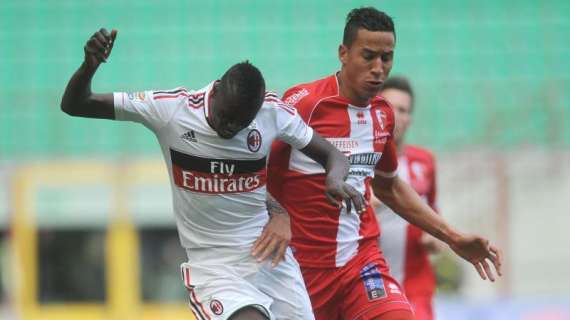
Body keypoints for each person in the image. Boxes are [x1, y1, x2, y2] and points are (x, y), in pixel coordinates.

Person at [60, 28, 367, 320]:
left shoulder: (272, 112)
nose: (230, 128)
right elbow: (76, 104)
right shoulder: (171, 110)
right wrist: (89, 66)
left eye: (241, 123)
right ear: (216, 89)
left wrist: (334, 178)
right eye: (226, 117)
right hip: (214, 265)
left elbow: (332, 155)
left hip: (270, 258)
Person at [267, 7, 502, 320]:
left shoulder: (382, 114)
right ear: (343, 53)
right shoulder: (306, 104)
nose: (379, 68)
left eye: (386, 57)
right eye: (368, 56)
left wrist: (453, 236)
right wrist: (277, 214)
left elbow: (388, 185)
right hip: (301, 270)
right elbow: (258, 167)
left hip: (359, 262)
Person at [372, 76, 442, 320]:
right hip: (371, 283)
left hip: (415, 285)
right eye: (389, 106)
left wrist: (434, 239)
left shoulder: (425, 162)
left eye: (402, 110)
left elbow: (433, 212)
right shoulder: (360, 161)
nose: (395, 115)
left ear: (409, 118)